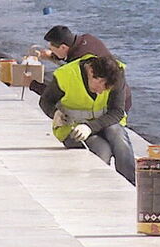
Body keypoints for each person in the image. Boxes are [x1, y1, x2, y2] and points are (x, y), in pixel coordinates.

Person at [39, 55, 136, 184]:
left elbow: (117, 111)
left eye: (107, 88)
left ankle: (129, 184)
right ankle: (99, 184)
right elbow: (45, 101)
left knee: (119, 137)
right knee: (103, 150)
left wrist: (90, 127)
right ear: (90, 71)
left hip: (102, 124)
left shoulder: (117, 74)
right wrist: (54, 113)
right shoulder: (66, 75)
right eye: (100, 84)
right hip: (73, 129)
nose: (101, 91)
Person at [29, 25, 132, 112]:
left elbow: (61, 93)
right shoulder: (87, 39)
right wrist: (52, 56)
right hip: (123, 91)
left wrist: (32, 84)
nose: (51, 51)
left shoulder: (79, 63)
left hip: (113, 100)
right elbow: (73, 55)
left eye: (52, 49)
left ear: (63, 47)